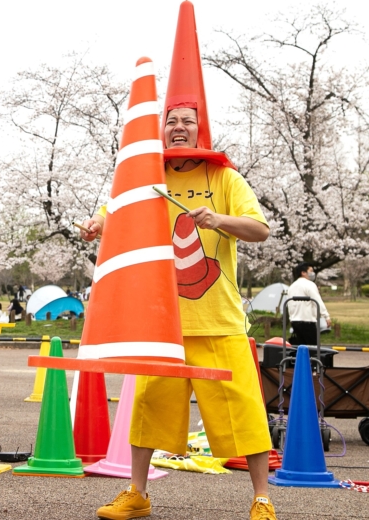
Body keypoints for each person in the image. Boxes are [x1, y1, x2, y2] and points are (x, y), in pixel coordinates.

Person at [81, 106, 275, 520]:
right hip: (162, 325)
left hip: (219, 320)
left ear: (199, 129)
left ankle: (262, 499)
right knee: (147, 411)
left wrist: (219, 219)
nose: (179, 127)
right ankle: (137, 494)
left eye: (187, 120)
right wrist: (98, 223)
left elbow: (260, 229)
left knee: (246, 412)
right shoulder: (150, 180)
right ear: (162, 132)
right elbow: (116, 207)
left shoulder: (224, 178)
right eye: (171, 121)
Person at [286, 263, 331, 332]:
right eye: (311, 271)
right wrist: (326, 316)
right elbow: (317, 301)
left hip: (294, 321)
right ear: (303, 273)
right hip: (308, 320)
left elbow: (290, 304)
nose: (313, 273)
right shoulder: (310, 285)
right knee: (311, 342)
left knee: (299, 342)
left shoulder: (292, 286)